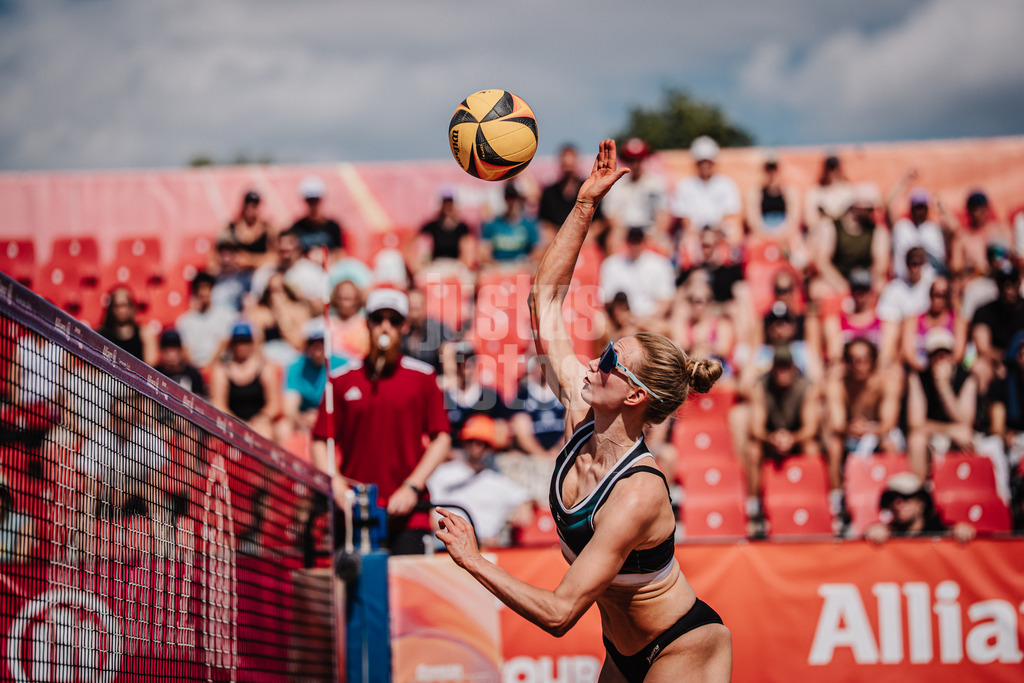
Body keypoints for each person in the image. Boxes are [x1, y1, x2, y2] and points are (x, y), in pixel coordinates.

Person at [436, 140, 732, 682]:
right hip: (621, 651)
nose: (596, 359)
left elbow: (558, 612)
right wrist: (584, 206)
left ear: (637, 395)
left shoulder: (639, 490)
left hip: (683, 645)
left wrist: (473, 559)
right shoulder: (582, 408)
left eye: (614, 360)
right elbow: (543, 302)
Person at [311, 287, 452, 554]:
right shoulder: (341, 380)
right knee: (355, 594)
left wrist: (412, 486)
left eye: (394, 320)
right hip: (354, 513)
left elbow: (441, 438)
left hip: (410, 513)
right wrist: (336, 484)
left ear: (405, 327)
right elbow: (321, 440)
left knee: (411, 593)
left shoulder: (423, 377)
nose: (385, 327)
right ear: (367, 324)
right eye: (378, 319)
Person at [426, 415, 534, 549]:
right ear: (463, 442)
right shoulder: (441, 474)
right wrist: (463, 538)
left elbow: (525, 496)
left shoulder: (495, 479)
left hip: (487, 549)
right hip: (448, 545)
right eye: (471, 441)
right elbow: (429, 514)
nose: (476, 447)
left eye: (482, 443)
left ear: (490, 447)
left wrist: (525, 505)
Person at [745, 345, 821, 528]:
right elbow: (756, 428)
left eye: (786, 366)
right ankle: (755, 504)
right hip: (770, 438)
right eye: (779, 366)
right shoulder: (761, 386)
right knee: (753, 450)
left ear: (793, 367)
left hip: (796, 438)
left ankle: (815, 501)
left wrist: (791, 438)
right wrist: (772, 438)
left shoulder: (806, 387)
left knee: (812, 449)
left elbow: (810, 428)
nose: (782, 371)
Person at [824, 339, 902, 516]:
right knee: (832, 445)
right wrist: (851, 428)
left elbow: (888, 423)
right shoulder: (837, 385)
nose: (858, 365)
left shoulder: (886, 383)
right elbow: (837, 423)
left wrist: (868, 430)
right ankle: (836, 501)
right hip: (850, 434)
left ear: (873, 360)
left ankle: (894, 499)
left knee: (889, 444)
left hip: (878, 432)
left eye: (863, 359)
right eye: (853, 359)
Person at [905, 327, 977, 481]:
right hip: (933, 434)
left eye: (944, 355)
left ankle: (965, 485)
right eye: (935, 355)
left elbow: (965, 421)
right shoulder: (918, 378)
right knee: (916, 439)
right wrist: (950, 430)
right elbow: (915, 423)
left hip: (955, 436)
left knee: (966, 437)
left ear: (952, 356)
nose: (940, 359)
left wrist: (944, 387)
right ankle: (920, 491)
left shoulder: (966, 378)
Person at [812, 182, 891, 298]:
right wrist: (842, 285)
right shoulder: (832, 227)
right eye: (870, 209)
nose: (873, 213)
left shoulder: (877, 231)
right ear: (858, 207)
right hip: (838, 279)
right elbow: (823, 262)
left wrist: (864, 283)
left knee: (882, 286)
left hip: (865, 281)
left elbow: (880, 265)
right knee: (818, 289)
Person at [209, 322, 283, 443]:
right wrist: (241, 425)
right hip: (231, 423)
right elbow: (219, 405)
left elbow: (274, 405)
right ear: (231, 344)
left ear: (252, 343)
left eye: (245, 341)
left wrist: (260, 420)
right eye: (238, 341)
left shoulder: (265, 368)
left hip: (260, 423)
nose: (241, 346)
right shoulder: (221, 370)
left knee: (265, 434)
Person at [600, 137, 672, 255]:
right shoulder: (616, 185)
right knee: (612, 240)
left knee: (665, 244)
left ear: (644, 159)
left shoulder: (656, 183)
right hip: (625, 232)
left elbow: (663, 216)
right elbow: (610, 216)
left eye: (639, 159)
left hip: (649, 231)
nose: (635, 164)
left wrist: (653, 235)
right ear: (625, 161)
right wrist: (624, 234)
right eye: (631, 160)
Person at [599, 227, 676, 334]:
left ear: (644, 242)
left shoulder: (660, 264)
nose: (635, 245)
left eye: (638, 241)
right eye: (632, 241)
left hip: (650, 320)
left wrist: (639, 320)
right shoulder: (611, 264)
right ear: (627, 242)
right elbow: (608, 300)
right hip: (620, 320)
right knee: (600, 326)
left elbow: (665, 302)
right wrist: (625, 318)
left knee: (666, 329)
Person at [864, 472, 975, 545]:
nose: (897, 503)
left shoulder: (942, 532)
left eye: (906, 497)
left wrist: (960, 532)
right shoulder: (889, 533)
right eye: (891, 499)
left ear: (922, 502)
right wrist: (873, 532)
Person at [671, 136, 742, 247]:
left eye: (707, 162)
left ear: (713, 162)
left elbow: (731, 215)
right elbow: (684, 219)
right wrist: (700, 235)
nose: (705, 166)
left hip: (719, 233)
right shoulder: (685, 185)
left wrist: (713, 234)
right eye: (701, 162)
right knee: (684, 240)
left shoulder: (726, 184)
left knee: (733, 234)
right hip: (694, 234)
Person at [283, 319, 347, 440]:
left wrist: (321, 418)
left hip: (333, 419)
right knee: (283, 427)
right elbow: (289, 409)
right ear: (306, 344)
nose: (317, 347)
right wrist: (302, 419)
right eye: (313, 342)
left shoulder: (343, 366)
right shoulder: (295, 367)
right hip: (304, 420)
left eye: (322, 341)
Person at [744, 152, 803, 263]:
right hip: (762, 232)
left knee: (796, 244)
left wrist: (782, 235)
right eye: (768, 169)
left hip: (785, 232)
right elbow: (752, 221)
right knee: (750, 245)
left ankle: (798, 274)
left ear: (779, 170)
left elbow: (794, 220)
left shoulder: (790, 191)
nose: (771, 173)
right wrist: (766, 236)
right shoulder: (755, 192)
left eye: (774, 169)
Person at [175, 271, 237, 370]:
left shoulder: (226, 317)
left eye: (207, 288)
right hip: (194, 370)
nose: (204, 292)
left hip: (218, 368)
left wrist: (209, 368)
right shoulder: (184, 321)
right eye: (201, 288)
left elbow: (223, 344)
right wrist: (196, 372)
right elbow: (185, 349)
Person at [508, 355, 567, 457]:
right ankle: (540, 455)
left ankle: (556, 453)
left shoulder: (562, 392)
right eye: (540, 364)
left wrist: (557, 449)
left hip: (560, 444)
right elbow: (517, 423)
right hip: (534, 447)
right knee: (520, 421)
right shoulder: (523, 394)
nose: (543, 368)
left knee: (573, 416)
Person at [96, 286, 159, 367]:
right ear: (111, 309)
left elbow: (151, 365)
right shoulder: (101, 335)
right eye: (116, 306)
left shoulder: (144, 333)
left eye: (124, 305)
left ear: (132, 307)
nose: (121, 310)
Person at [480, 182, 540, 265]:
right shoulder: (492, 224)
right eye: (508, 197)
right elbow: (484, 252)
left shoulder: (529, 224)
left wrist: (526, 263)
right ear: (504, 198)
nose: (511, 201)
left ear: (520, 199)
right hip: (498, 268)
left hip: (522, 267)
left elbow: (537, 251)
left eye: (514, 197)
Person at [290, 176, 345, 258]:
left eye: (316, 200)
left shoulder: (333, 226)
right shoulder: (297, 227)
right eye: (310, 200)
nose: (313, 204)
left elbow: (340, 253)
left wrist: (326, 258)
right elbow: (293, 254)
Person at [222, 189, 276, 269]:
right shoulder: (230, 228)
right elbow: (217, 256)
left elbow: (274, 258)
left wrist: (250, 260)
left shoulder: (268, 229)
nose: (251, 209)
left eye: (254, 205)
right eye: (248, 205)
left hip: (260, 272)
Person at [154, 328, 207, 398]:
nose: (171, 354)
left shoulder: (193, 375)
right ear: (162, 352)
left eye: (174, 349)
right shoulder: (155, 373)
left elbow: (199, 402)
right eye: (167, 349)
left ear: (180, 351)